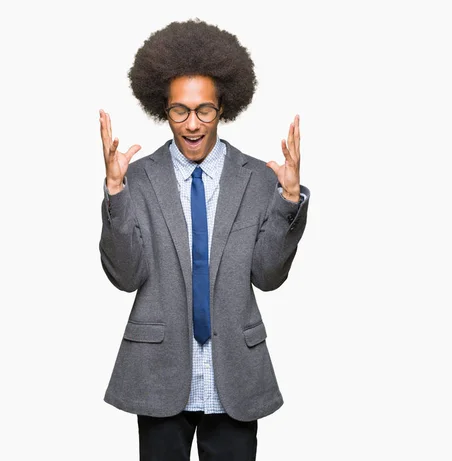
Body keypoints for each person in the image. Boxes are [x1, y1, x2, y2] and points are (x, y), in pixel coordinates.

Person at [98, 18, 310, 461]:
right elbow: (126, 274)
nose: (192, 124)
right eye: (180, 110)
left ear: (222, 108)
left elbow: (268, 277)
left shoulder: (256, 179)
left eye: (204, 110)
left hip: (234, 371)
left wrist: (288, 199)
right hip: (159, 371)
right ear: (164, 108)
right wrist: (115, 192)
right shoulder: (137, 177)